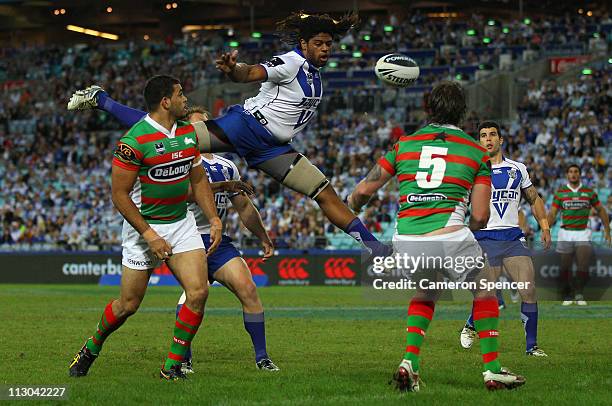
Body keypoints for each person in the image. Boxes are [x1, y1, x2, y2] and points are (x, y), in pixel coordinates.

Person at [67, 12, 390, 258]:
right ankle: (101, 99)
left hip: (273, 148)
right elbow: (250, 73)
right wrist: (233, 69)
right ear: (303, 44)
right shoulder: (291, 62)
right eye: (318, 43)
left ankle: (376, 249)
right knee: (163, 134)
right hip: (245, 126)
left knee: (324, 193)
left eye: (328, 44)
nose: (324, 49)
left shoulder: (314, 74)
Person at [348, 81, 525, 391]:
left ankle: (410, 361)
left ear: (428, 109)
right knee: (485, 289)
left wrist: (352, 206)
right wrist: (463, 237)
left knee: (426, 293)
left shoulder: (404, 144)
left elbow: (363, 191)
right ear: (463, 113)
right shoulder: (474, 151)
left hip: (407, 239)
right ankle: (492, 369)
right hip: (450, 233)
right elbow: (481, 216)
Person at [68, 75, 222, 381]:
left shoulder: (189, 133)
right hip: (144, 229)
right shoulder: (133, 141)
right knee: (128, 305)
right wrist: (149, 235)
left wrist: (214, 217)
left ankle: (172, 367)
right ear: (166, 101)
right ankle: (91, 346)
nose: (185, 100)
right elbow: (119, 196)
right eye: (180, 95)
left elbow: (199, 179)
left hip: (181, 224)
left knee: (198, 291)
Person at [177, 106, 279, 372]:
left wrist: (263, 237)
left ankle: (262, 357)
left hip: (217, 242)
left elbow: (244, 207)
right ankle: (182, 358)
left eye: (207, 123)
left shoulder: (226, 166)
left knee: (248, 289)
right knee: (193, 297)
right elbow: (186, 193)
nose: (205, 128)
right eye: (199, 124)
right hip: (187, 239)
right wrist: (223, 186)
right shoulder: (181, 161)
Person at [459, 121, 551, 357]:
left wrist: (544, 225)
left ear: (501, 140)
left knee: (528, 289)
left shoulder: (517, 168)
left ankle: (532, 347)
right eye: (483, 136)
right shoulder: (472, 172)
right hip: (484, 237)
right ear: (479, 142)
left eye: (492, 135)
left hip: (512, 236)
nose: (488, 139)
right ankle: (471, 324)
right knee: (487, 291)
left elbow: (533, 198)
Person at [548, 164, 611, 306]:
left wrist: (607, 230)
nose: (573, 174)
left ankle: (579, 293)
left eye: (576, 171)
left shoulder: (589, 192)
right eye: (570, 172)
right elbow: (552, 213)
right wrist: (546, 230)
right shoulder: (561, 192)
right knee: (565, 267)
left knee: (583, 265)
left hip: (583, 232)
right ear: (567, 175)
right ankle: (567, 294)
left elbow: (601, 210)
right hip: (565, 232)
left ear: (580, 174)